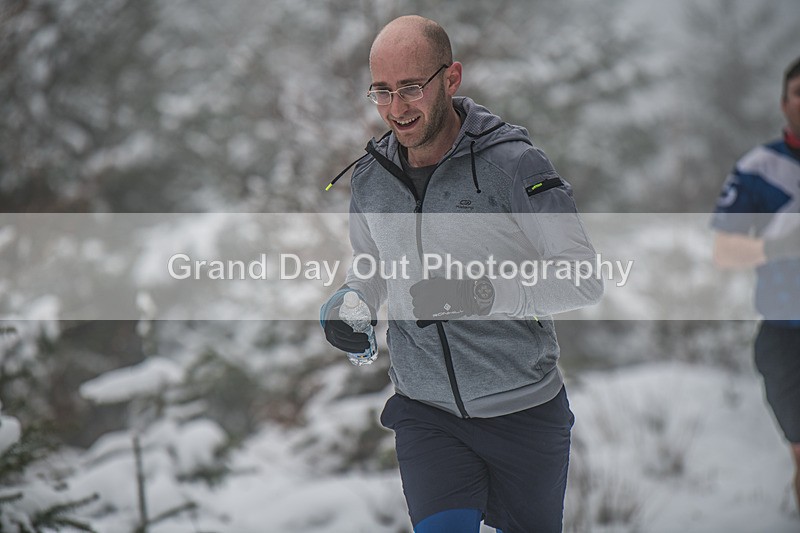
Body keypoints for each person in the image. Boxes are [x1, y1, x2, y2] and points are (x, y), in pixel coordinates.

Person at [320, 15, 603, 532]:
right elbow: (370, 270)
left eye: (410, 88)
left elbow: (582, 276)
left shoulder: (514, 164)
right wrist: (351, 305)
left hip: (524, 412)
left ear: (450, 79)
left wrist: (477, 294)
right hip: (426, 414)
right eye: (381, 92)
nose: (396, 109)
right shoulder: (370, 179)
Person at [711, 56, 800, 514]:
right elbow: (724, 252)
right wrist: (780, 246)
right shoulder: (758, 169)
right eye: (799, 92)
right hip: (786, 332)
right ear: (783, 102)